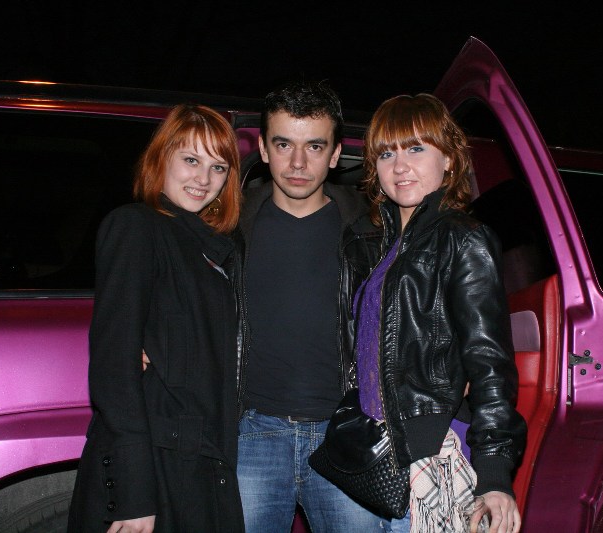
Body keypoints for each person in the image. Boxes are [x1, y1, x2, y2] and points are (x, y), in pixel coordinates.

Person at [68, 104, 245, 533]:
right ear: (161, 158)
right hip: (156, 466)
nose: (203, 179)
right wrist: (133, 494)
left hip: (201, 462)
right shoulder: (136, 226)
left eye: (218, 167)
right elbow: (113, 367)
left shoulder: (210, 247)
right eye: (191, 160)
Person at [356, 94, 527, 533]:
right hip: (380, 454)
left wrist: (494, 472)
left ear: (449, 159)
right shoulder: (382, 246)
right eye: (386, 153)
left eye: (416, 148)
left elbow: (489, 361)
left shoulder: (463, 238)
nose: (400, 166)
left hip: (433, 454)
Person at [236, 80, 383, 532]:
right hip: (251, 434)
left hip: (344, 433)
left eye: (314, 146)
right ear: (264, 149)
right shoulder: (228, 227)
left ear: (335, 154)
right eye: (284, 144)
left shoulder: (371, 232)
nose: (298, 163)